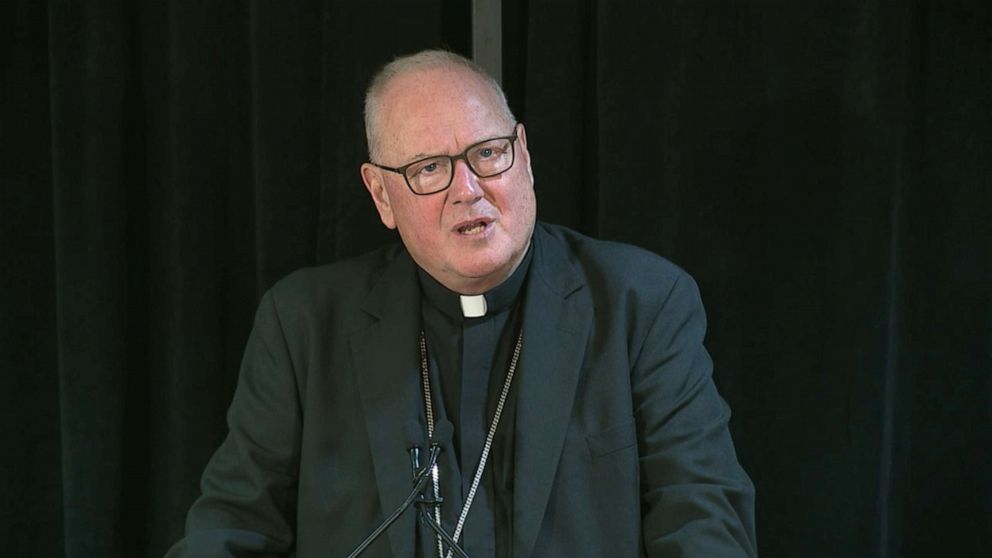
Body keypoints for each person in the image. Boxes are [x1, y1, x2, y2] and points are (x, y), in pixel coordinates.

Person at [166, 49, 756, 557]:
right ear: (381, 195)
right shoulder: (303, 325)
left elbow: (704, 520)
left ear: (523, 154)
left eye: (487, 153)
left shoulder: (642, 304)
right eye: (428, 169)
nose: (467, 190)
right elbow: (232, 526)